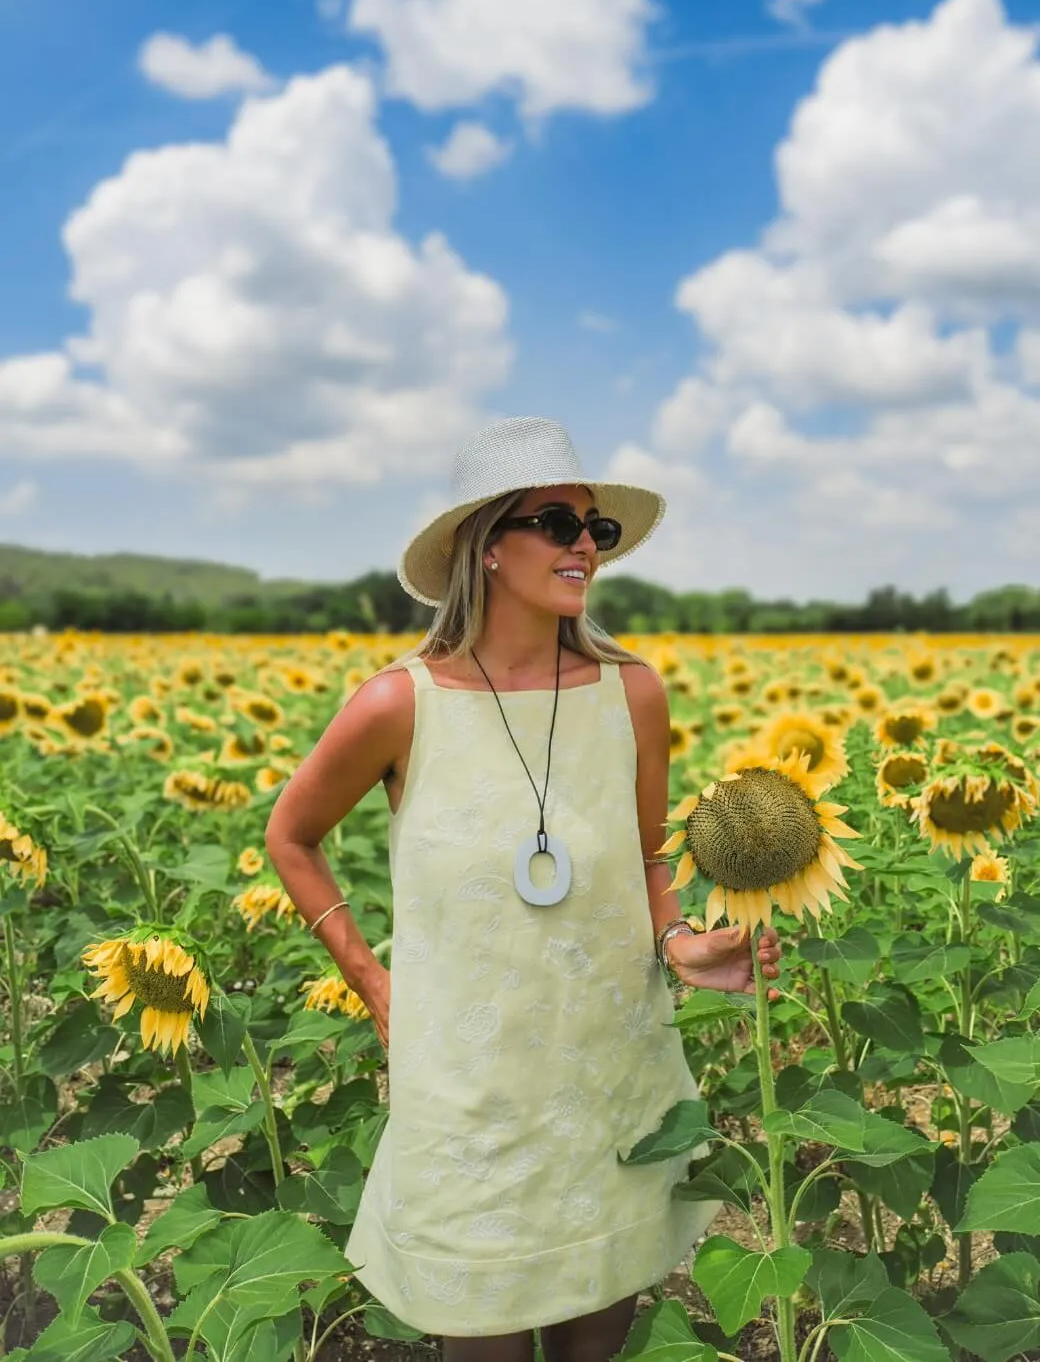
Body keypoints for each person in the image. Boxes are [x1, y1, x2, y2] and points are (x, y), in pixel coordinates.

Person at [265, 416, 781, 1362]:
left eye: (597, 529)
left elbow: (648, 859)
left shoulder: (632, 693)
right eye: (556, 521)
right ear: (487, 546)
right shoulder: (398, 703)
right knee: (483, 1333)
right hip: (471, 1086)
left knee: (600, 1320)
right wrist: (372, 982)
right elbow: (290, 838)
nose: (585, 544)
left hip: (610, 1064)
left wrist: (685, 946)